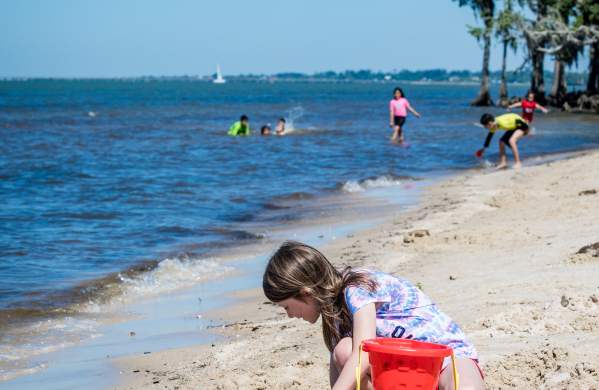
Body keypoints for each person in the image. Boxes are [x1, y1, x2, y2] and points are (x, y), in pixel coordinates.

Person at [263, 241, 484, 390]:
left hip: (444, 359)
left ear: (305, 292)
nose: (290, 316)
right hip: (398, 371)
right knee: (342, 350)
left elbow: (364, 354)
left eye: (286, 307)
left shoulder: (357, 287)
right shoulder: (334, 318)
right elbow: (342, 374)